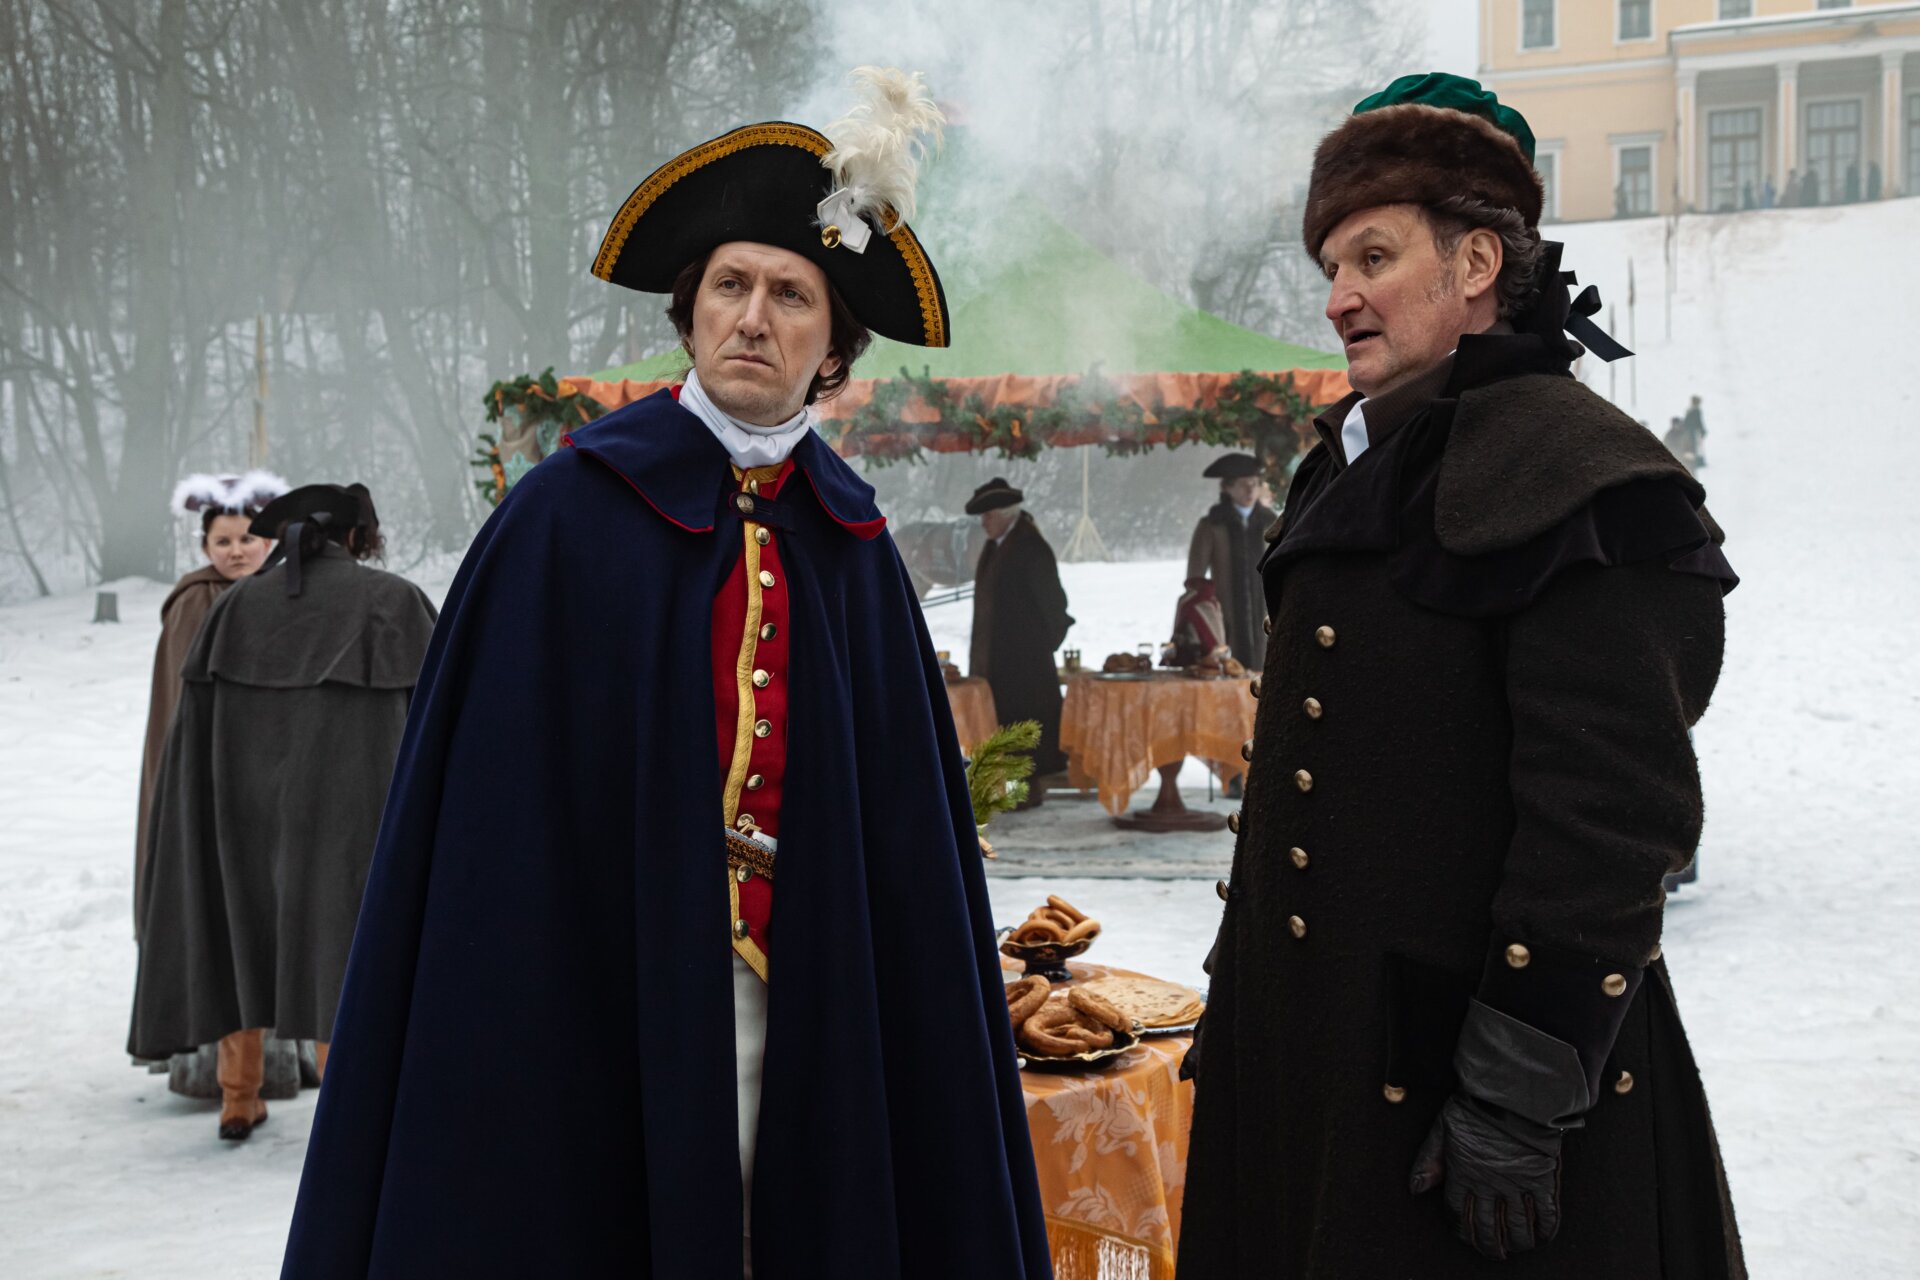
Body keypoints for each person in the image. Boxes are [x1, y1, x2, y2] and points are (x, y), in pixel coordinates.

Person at [281, 69, 1051, 1277]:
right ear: (690, 312)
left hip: (809, 998)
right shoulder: (563, 519)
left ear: (834, 346)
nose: (754, 317)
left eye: (791, 295)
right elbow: (483, 819)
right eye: (730, 285)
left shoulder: (854, 551)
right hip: (599, 989)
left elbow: (907, 847)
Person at [1178, 73, 1744, 1277]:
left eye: (1373, 257)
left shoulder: (1584, 475)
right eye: (1331, 264)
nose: (1338, 296)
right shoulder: (1350, 462)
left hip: (1473, 1101)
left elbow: (1610, 820)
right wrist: (1249, 995)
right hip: (1318, 1063)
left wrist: (1517, 1092)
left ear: (1478, 261)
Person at [128, 482, 436, 1141]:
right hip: (355, 818)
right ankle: (346, 1113)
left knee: (244, 933)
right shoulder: (393, 601)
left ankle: (238, 1097)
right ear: (355, 536)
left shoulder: (236, 606)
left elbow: (194, 730)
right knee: (339, 945)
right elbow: (440, 725)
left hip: (242, 816)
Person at [133, 470, 306, 1105]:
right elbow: (186, 708)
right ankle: (216, 1075)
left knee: (274, 917)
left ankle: (286, 1063)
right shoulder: (196, 602)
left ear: (269, 542)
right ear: (206, 546)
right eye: (223, 541)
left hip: (273, 783)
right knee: (219, 916)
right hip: (211, 784)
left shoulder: (289, 593)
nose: (236, 551)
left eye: (247, 539)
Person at [967, 477, 1074, 791]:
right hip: (999, 659)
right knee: (1005, 722)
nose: (983, 522)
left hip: (1027, 663)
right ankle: (1014, 787)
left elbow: (1055, 606)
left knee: (1028, 725)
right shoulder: (995, 547)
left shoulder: (1031, 548)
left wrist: (1037, 649)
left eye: (988, 515)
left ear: (1005, 515)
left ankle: (1031, 789)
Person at [1183, 453, 1276, 671]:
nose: (1250, 491)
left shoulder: (1271, 523)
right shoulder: (1211, 525)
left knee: (1268, 668)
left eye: (1255, 484)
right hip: (1225, 613)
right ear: (1227, 487)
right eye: (1243, 485)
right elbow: (1195, 580)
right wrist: (1207, 613)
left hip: (1266, 612)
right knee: (1229, 670)